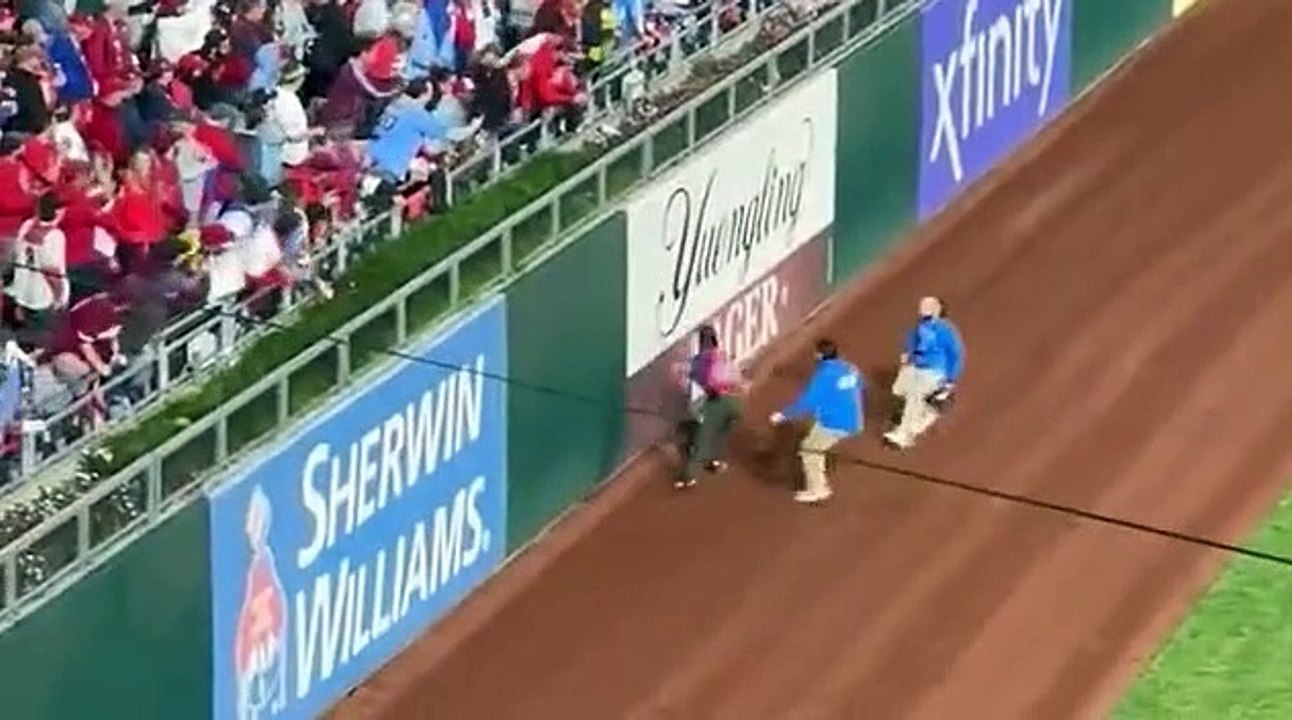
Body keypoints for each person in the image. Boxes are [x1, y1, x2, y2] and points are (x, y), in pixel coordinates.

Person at [770, 338, 863, 504]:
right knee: (815, 446)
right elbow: (860, 386)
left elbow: (807, 402)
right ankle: (819, 485)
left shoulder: (824, 375)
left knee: (809, 449)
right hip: (854, 418)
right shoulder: (849, 368)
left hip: (834, 422)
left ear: (820, 355)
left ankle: (818, 490)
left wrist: (783, 415)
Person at [883, 295, 964, 450]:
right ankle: (931, 410)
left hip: (933, 371)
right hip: (915, 365)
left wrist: (950, 380)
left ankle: (902, 437)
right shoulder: (922, 325)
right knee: (898, 390)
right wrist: (907, 353)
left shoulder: (947, 331)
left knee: (914, 400)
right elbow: (912, 339)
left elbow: (955, 356)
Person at [672, 324, 744, 490]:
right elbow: (736, 378)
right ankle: (715, 461)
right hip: (735, 404)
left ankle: (688, 477)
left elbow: (685, 377)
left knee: (700, 441)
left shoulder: (699, 361)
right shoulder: (723, 355)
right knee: (721, 431)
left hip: (716, 402)